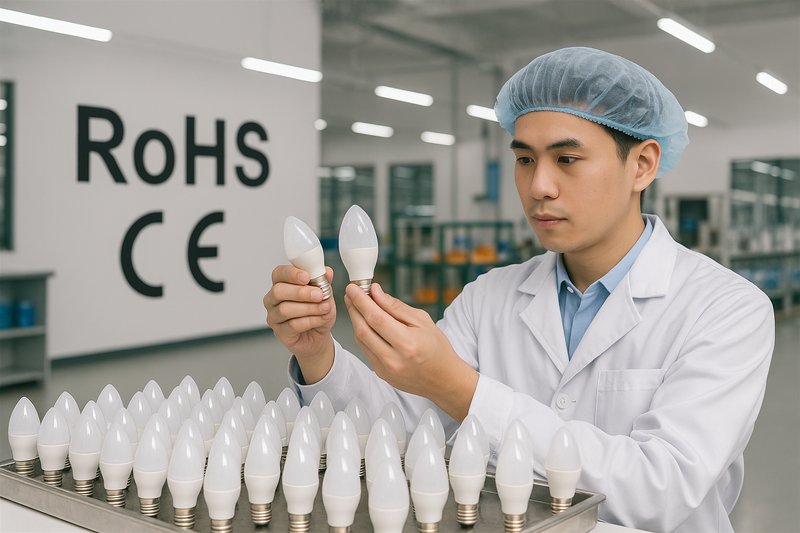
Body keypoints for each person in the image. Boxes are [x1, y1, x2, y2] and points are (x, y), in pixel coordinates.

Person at [263, 47, 774, 532]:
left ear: (642, 165)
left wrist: (463, 390)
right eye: (525, 159)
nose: (538, 187)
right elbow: (397, 430)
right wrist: (318, 355)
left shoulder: (725, 308)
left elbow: (661, 489)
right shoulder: (489, 297)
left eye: (566, 159)